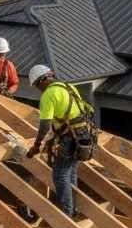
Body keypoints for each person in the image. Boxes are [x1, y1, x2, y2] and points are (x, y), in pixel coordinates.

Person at [25, 64, 93, 218]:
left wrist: (37, 144)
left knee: (60, 174)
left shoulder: (48, 95)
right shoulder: (68, 87)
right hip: (83, 135)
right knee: (71, 171)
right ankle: (73, 208)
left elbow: (45, 124)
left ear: (42, 80)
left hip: (70, 138)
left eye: (37, 85)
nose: (38, 89)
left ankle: (66, 213)